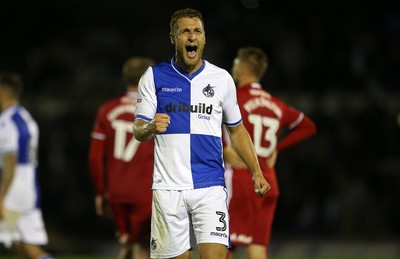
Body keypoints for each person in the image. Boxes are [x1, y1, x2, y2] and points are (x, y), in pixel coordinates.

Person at [132, 8, 271, 259]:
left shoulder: (221, 79)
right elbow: (138, 130)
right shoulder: (153, 77)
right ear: (173, 38)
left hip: (210, 188)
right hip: (168, 190)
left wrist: (256, 171)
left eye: (197, 31)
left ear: (205, 38)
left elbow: (237, 130)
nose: (192, 36)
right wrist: (150, 127)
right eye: (185, 31)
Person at [223, 47, 317, 259]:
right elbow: (308, 126)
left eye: (236, 63)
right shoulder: (276, 104)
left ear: (242, 68)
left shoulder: (234, 98)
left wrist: (223, 150)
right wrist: (277, 147)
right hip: (269, 182)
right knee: (257, 247)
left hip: (241, 181)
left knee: (223, 245)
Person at [88, 57, 156, 259]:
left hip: (117, 191)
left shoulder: (107, 110)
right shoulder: (156, 111)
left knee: (127, 245)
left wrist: (101, 191)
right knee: (142, 248)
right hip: (146, 191)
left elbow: (94, 157)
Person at [0, 71, 54, 259]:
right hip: (28, 186)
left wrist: (2, 196)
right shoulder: (26, 117)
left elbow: (10, 162)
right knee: (17, 243)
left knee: (26, 246)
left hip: (14, 191)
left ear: (3, 91)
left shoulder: (7, 122)